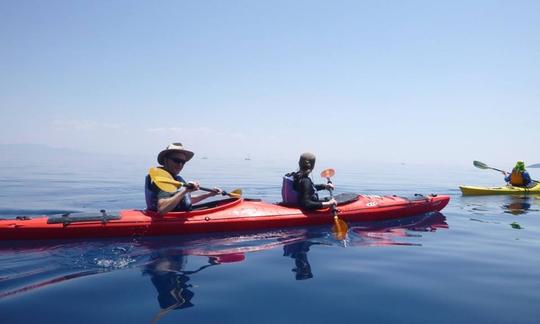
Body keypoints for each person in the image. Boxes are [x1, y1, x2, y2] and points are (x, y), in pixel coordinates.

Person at [145, 143, 222, 215]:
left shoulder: (175, 178)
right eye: (177, 161)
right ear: (166, 160)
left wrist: (209, 194)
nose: (180, 165)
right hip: (169, 221)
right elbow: (162, 209)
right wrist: (185, 190)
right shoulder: (163, 179)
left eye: (183, 162)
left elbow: (185, 200)